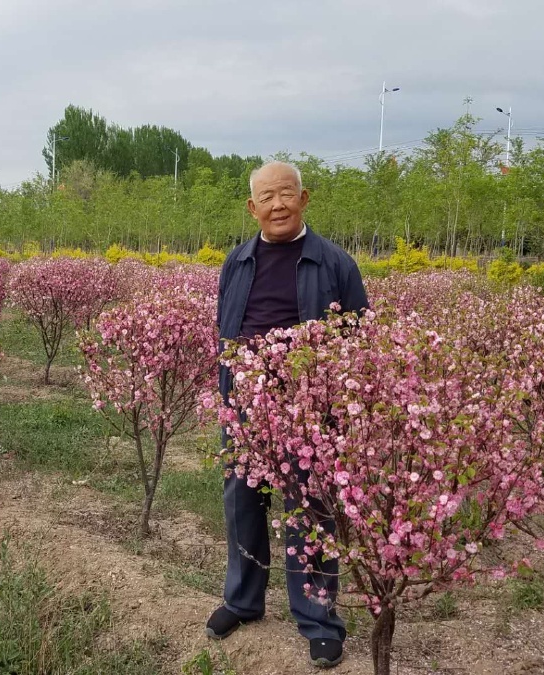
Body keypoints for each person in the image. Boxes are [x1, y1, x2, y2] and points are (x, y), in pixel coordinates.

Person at [207, 160, 369, 669]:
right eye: (267, 197)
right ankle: (242, 601)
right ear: (251, 207)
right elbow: (224, 328)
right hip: (245, 408)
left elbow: (359, 339)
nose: (277, 205)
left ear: (304, 199)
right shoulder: (237, 262)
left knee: (310, 511)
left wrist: (336, 408)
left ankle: (319, 620)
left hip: (308, 415)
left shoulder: (334, 263)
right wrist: (230, 394)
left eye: (286, 194)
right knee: (242, 504)